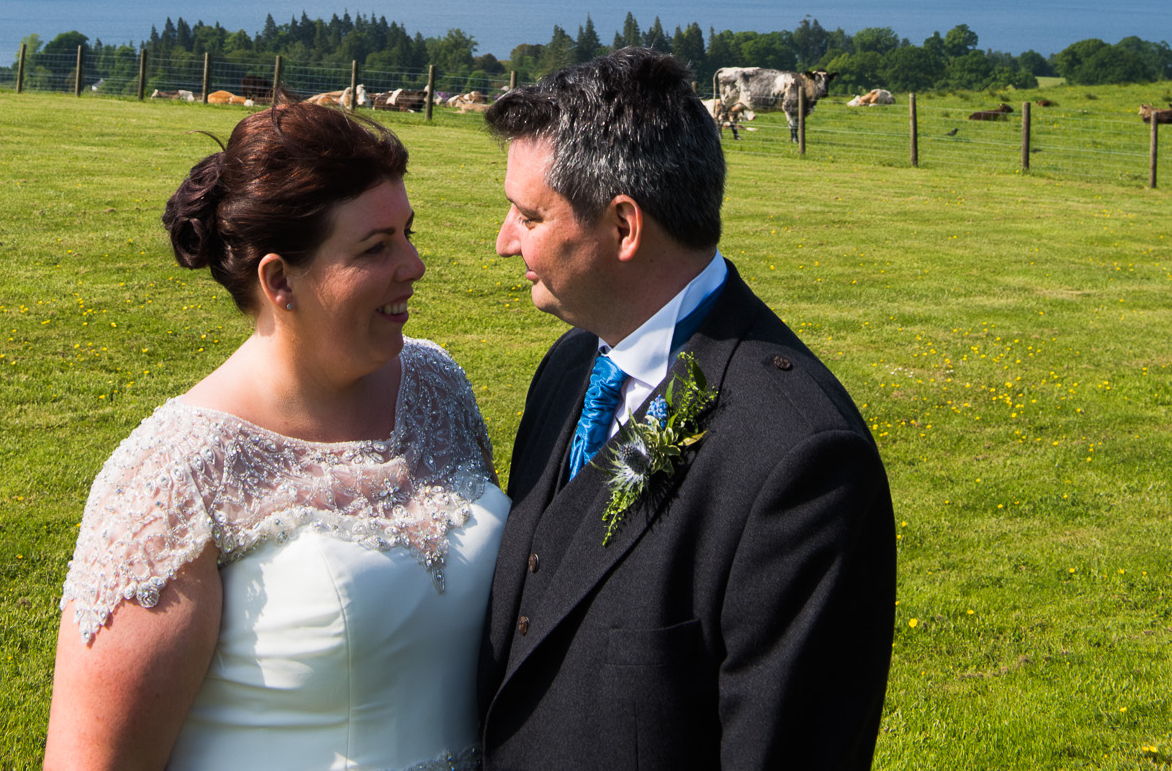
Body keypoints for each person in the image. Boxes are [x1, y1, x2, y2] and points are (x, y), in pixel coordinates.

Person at [46, 99, 507, 771]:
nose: (414, 265)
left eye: (407, 233)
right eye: (377, 247)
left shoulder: (436, 385)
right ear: (279, 279)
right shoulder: (174, 475)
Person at [478, 48, 896, 771]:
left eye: (527, 215)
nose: (503, 241)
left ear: (623, 227)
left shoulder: (797, 458)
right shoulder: (567, 368)